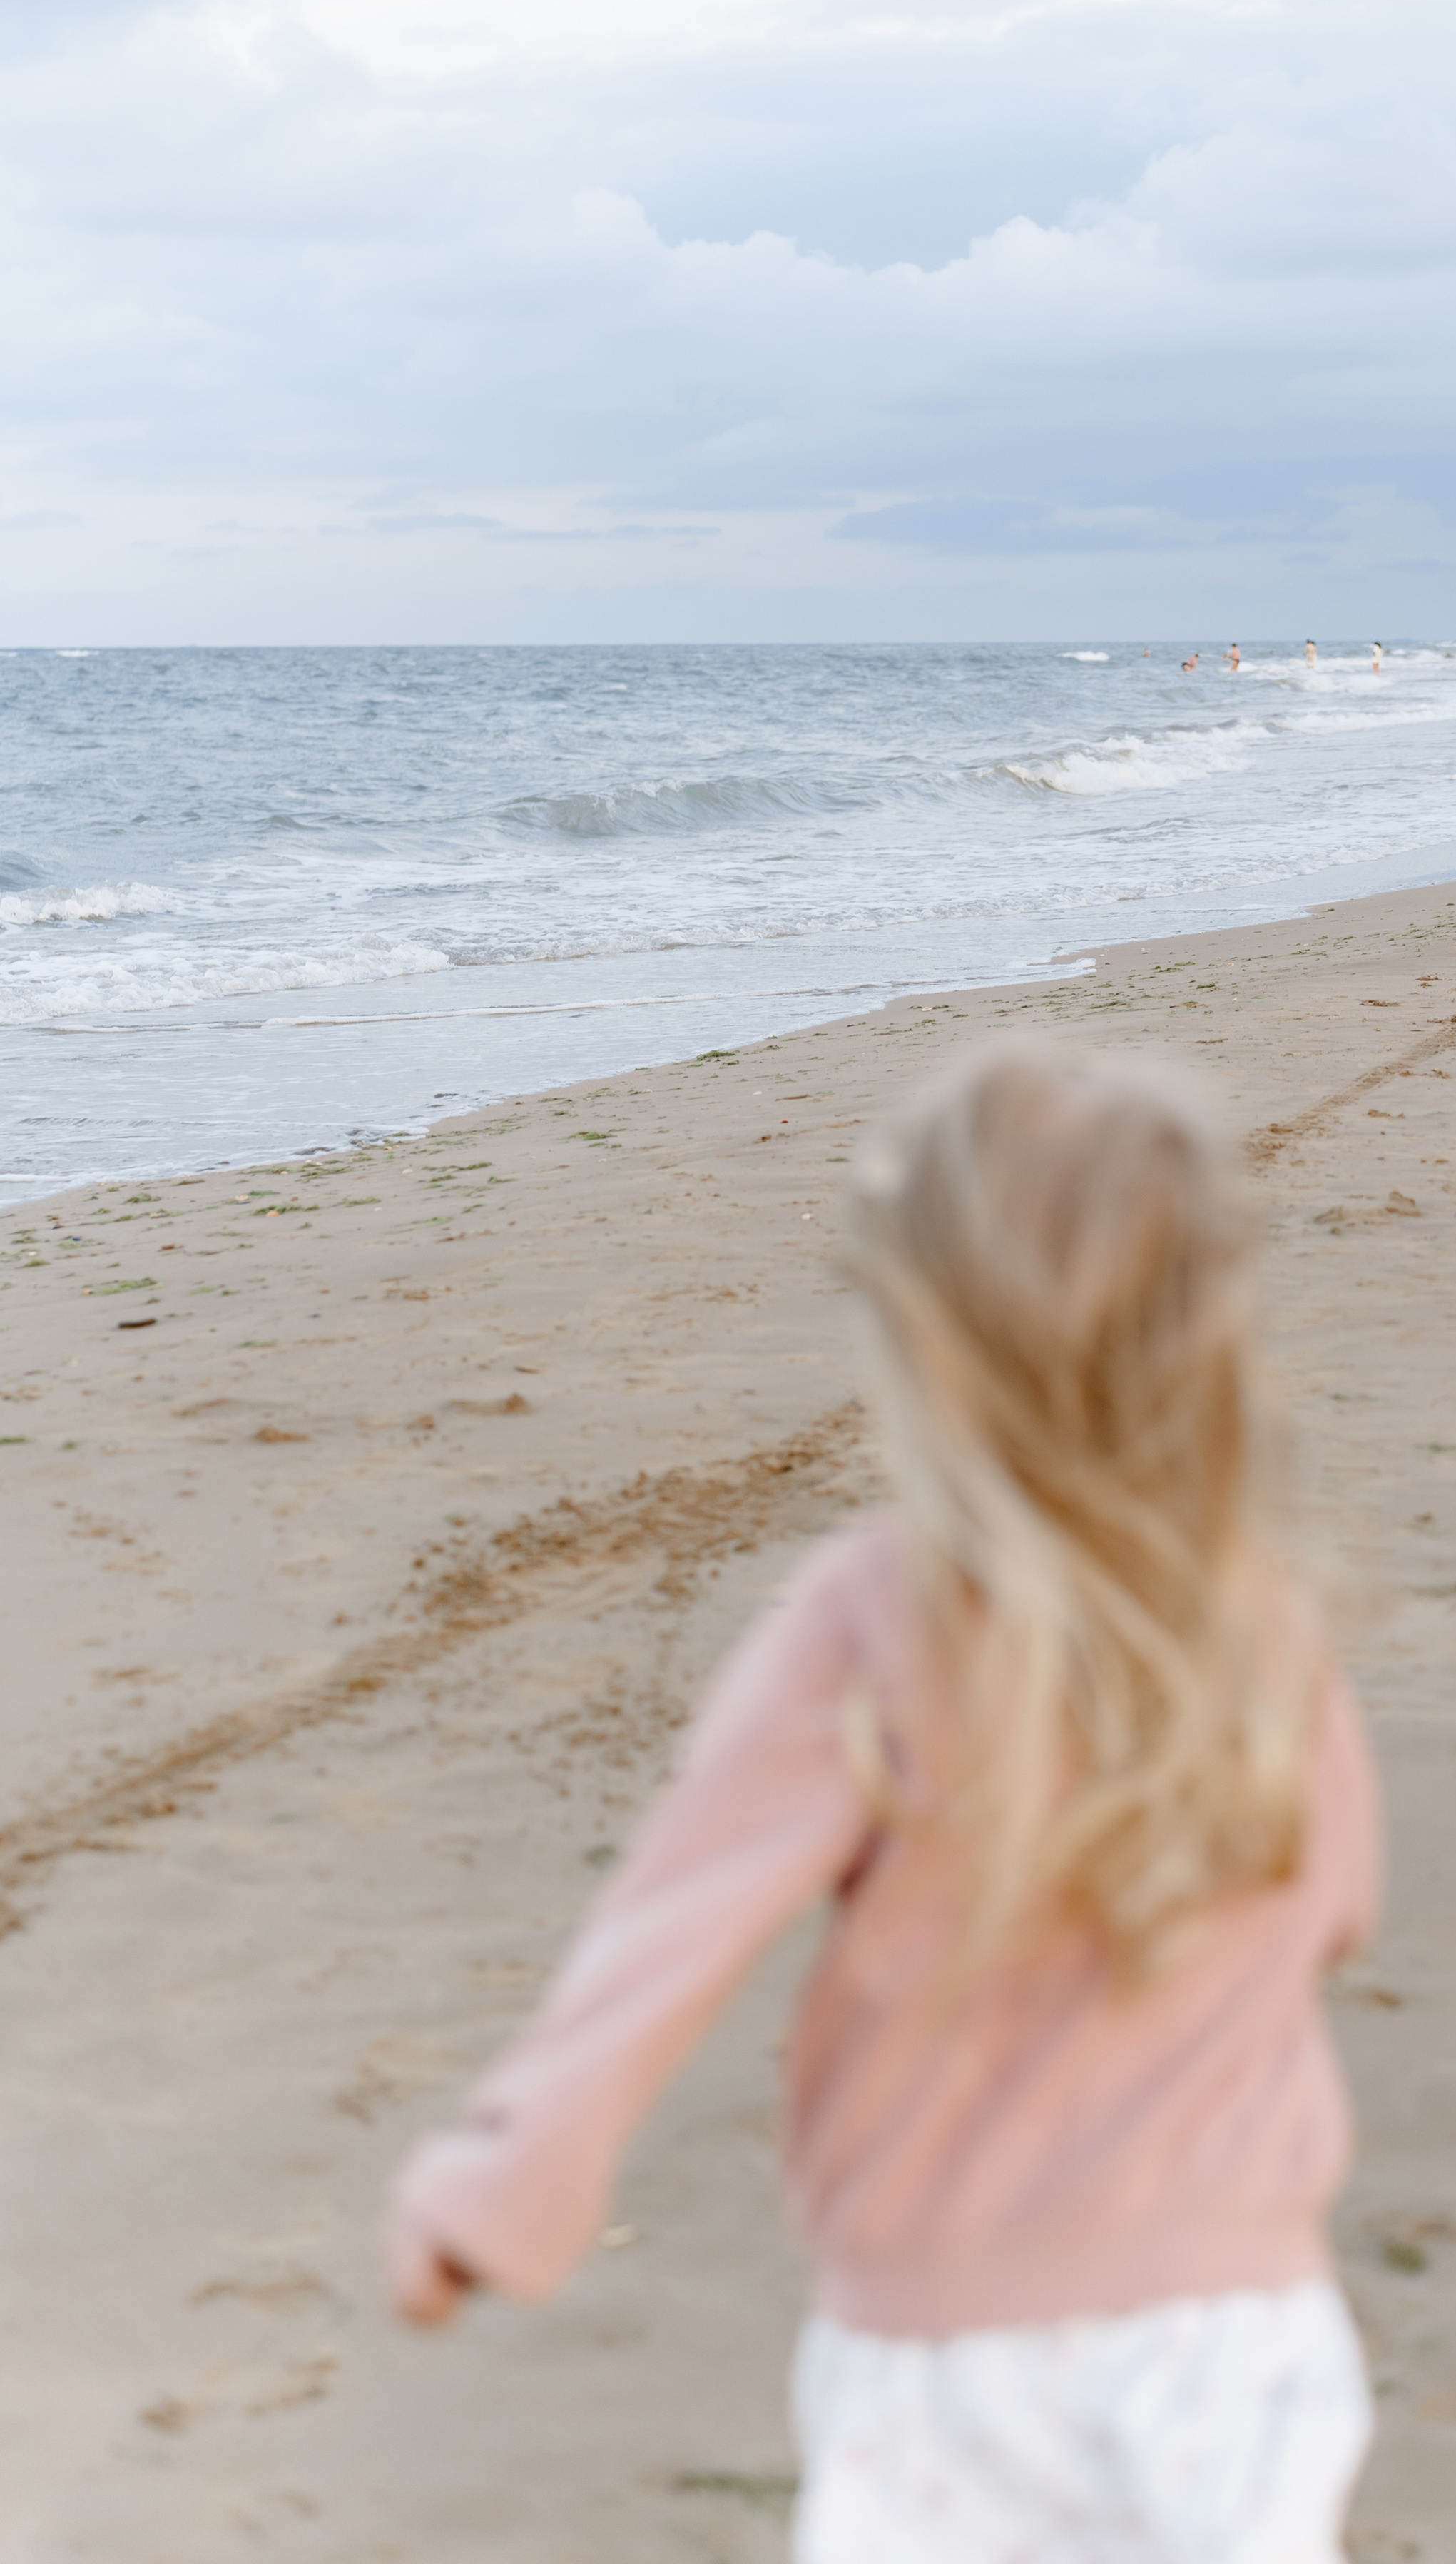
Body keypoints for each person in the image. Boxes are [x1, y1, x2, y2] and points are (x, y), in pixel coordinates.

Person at [387, 1046, 1383, 2564]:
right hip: (1237, 2333)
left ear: (921, 1345)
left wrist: (506, 2180)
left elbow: (670, 1931)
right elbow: (1333, 1901)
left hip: (948, 2351)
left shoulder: (871, 1620)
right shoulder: (1262, 1623)